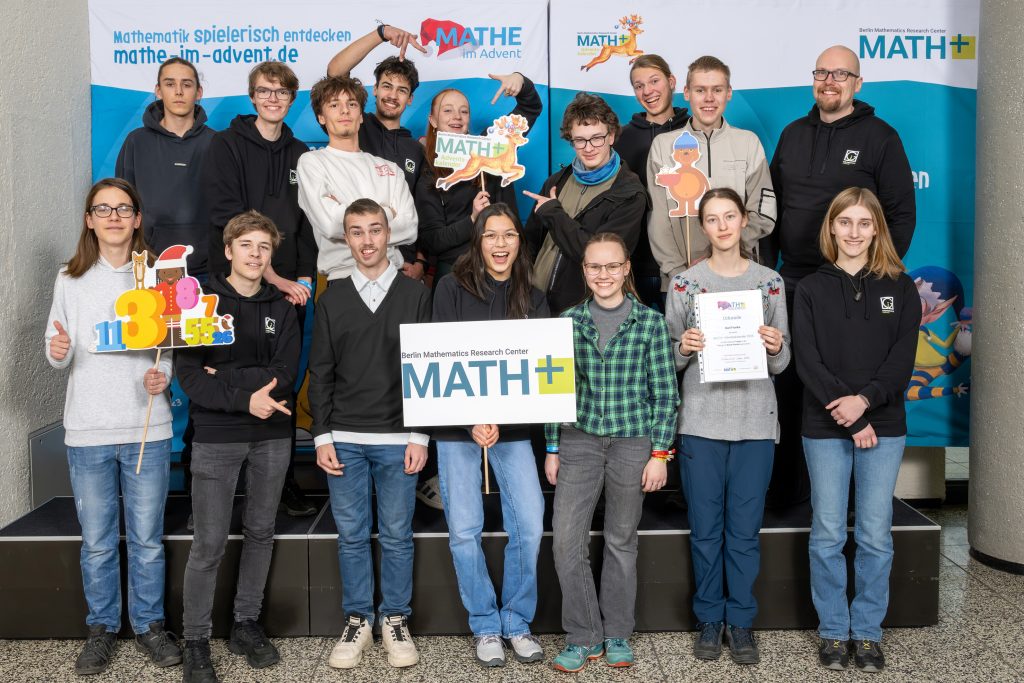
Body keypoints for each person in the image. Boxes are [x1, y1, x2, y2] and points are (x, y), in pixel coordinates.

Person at [766, 45, 916, 508]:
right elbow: (773, 209)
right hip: (795, 281)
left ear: (857, 83)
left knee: (845, 380)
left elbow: (900, 213)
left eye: (840, 74)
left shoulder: (881, 137)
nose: (829, 81)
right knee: (792, 385)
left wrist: (875, 276)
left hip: (854, 284)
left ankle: (846, 501)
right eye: (822, 73)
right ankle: (789, 495)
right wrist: (768, 276)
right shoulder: (793, 134)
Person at [45, 178, 181, 676]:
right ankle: (101, 628)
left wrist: (163, 376)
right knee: (99, 541)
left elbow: (170, 345)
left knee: (146, 540)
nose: (114, 217)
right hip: (88, 429)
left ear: (137, 218)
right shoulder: (69, 278)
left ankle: (149, 626)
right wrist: (57, 351)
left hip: (147, 426)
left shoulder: (159, 277)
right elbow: (56, 349)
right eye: (103, 209)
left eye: (123, 209)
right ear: (89, 220)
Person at [794, 187, 919, 673]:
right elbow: (808, 361)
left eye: (864, 223)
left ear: (877, 230)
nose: (854, 232)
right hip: (825, 427)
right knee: (827, 532)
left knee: (874, 534)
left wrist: (864, 404)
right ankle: (833, 629)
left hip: (883, 427)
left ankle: (866, 632)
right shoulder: (810, 288)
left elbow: (901, 362)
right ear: (831, 227)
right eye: (845, 222)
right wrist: (850, 415)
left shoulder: (901, 287)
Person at [664, 188, 790, 665]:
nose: (722, 226)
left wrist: (776, 346)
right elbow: (669, 360)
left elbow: (783, 362)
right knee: (704, 530)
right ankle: (708, 618)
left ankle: (740, 621)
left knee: (743, 532)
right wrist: (684, 346)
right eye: (712, 219)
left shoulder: (769, 283)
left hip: (755, 422)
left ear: (743, 221)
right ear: (703, 226)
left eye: (729, 216)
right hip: (701, 421)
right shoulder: (684, 285)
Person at [175, 211, 301, 683]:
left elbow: (285, 374)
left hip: (272, 435)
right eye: (246, 245)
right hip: (215, 436)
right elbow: (191, 378)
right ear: (228, 250)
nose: (255, 254)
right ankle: (195, 640)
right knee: (208, 543)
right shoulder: (199, 305)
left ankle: (246, 624)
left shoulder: (282, 308)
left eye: (264, 247)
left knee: (261, 531)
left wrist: (226, 377)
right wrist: (244, 396)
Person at [546, 232, 679, 672]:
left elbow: (665, 395)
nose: (603, 275)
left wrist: (659, 454)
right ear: (584, 271)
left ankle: (618, 632)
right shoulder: (566, 322)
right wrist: (552, 447)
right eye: (594, 266)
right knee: (566, 543)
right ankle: (584, 635)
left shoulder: (650, 323)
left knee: (621, 541)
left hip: (632, 443)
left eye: (611, 266)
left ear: (625, 269)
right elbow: (553, 392)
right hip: (578, 441)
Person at [309, 199, 431, 670]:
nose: (366, 240)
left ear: (389, 235)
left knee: (398, 535)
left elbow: (427, 368)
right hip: (344, 439)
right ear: (345, 238)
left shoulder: (416, 294)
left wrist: (420, 435)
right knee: (352, 535)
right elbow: (320, 373)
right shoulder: (332, 298)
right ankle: (358, 618)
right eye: (356, 231)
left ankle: (395, 618)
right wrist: (322, 436)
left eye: (375, 229)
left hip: (399, 438)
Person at [432, 203, 548, 667]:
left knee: (530, 525)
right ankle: (484, 623)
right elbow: (439, 358)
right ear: (477, 241)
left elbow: (540, 370)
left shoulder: (533, 296)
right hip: (459, 430)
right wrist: (470, 418)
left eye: (509, 235)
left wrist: (503, 414)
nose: (501, 244)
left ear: (520, 242)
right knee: (464, 530)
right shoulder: (450, 288)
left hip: (512, 429)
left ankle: (516, 621)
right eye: (491, 235)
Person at [202, 60, 317, 517]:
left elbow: (307, 221)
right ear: (252, 97)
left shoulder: (301, 153)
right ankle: (211, 485)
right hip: (235, 286)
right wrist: (271, 275)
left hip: (286, 290)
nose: (273, 99)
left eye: (282, 92)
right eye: (265, 91)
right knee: (222, 372)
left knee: (280, 377)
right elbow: (228, 217)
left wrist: (303, 277)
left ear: (291, 100)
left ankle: (281, 481)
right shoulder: (225, 145)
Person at [648, 55, 776, 288]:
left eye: (717, 90)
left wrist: (723, 258)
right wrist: (678, 273)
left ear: (728, 93)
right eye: (700, 90)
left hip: (741, 274)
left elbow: (763, 212)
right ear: (687, 93)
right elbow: (659, 220)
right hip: (682, 279)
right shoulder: (663, 146)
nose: (709, 98)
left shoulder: (748, 143)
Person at [523, 93, 646, 314]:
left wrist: (555, 214)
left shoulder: (629, 193)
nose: (588, 148)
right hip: (537, 303)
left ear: (611, 136)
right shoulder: (556, 182)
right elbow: (530, 244)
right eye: (580, 140)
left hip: (586, 311)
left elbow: (600, 258)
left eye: (597, 138)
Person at [327, 22, 429, 280]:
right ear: (374, 89)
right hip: (350, 260)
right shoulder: (355, 125)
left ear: (410, 99)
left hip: (400, 265)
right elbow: (335, 73)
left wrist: (419, 261)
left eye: (402, 90)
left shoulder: (416, 150)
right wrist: (381, 34)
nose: (392, 95)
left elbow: (421, 210)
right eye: (386, 86)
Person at [416, 72, 542, 279]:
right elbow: (432, 240)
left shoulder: (490, 145)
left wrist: (520, 81)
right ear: (433, 120)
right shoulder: (429, 172)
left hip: (505, 265)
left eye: (464, 111)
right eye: (447, 110)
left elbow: (531, 108)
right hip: (457, 270)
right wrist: (473, 218)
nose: (457, 116)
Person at [297, 74, 418, 283]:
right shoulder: (312, 163)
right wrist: (388, 212)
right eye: (334, 105)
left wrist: (348, 217)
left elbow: (409, 228)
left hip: (393, 277)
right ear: (321, 117)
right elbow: (331, 225)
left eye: (352, 104)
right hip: (344, 277)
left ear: (361, 116)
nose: (345, 110)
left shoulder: (390, 169)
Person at [116, 57, 215, 275]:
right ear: (158, 91)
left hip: (207, 269)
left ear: (198, 92)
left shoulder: (217, 143)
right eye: (170, 84)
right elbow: (122, 207)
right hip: (150, 266)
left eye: (186, 84)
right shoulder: (136, 142)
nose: (178, 91)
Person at [613, 54, 688, 307]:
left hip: (686, 262)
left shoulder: (693, 132)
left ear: (671, 81)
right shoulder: (621, 139)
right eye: (639, 85)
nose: (648, 91)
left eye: (654, 81)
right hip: (637, 265)